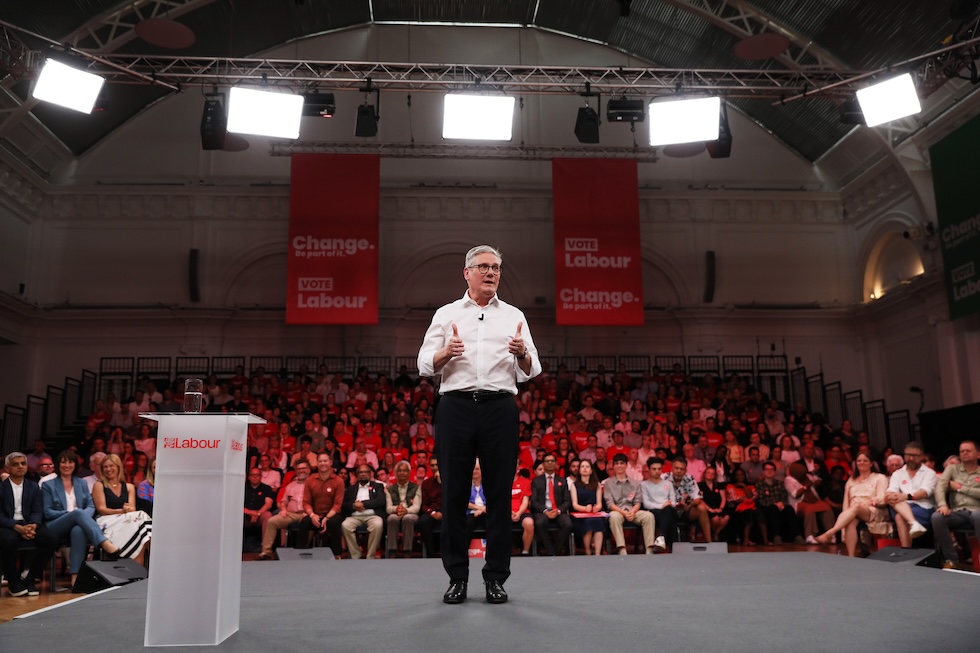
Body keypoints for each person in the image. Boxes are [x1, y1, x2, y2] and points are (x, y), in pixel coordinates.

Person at [417, 245, 540, 605]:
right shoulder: (446, 313)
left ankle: (496, 579)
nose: (491, 273)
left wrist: (522, 353)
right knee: (454, 494)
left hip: (500, 407)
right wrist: (446, 352)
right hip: (455, 406)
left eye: (497, 268)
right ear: (467, 272)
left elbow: (533, 369)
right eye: (484, 267)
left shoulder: (514, 315)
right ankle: (457, 578)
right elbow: (425, 363)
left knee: (500, 496)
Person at [43, 450, 121, 587]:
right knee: (78, 513)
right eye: (63, 462)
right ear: (58, 464)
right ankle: (103, 542)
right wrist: (72, 515)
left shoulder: (81, 483)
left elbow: (91, 506)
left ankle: (75, 577)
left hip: (78, 524)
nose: (67, 465)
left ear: (75, 464)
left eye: (70, 462)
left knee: (78, 530)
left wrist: (78, 516)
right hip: (55, 526)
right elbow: (48, 512)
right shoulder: (48, 485)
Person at [1, 452, 58, 596]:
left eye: (23, 463)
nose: (20, 467)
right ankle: (13, 582)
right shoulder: (1, 488)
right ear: (7, 468)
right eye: (15, 464)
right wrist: (16, 527)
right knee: (8, 541)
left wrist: (33, 525)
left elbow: (38, 510)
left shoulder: (33, 487)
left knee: (51, 539)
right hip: (9, 525)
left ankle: (30, 578)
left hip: (29, 524)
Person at [816, 452, 890, 556]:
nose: (861, 463)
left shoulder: (880, 478)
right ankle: (851, 556)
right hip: (854, 511)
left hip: (873, 509)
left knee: (856, 507)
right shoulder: (851, 480)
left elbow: (882, 497)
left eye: (865, 460)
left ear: (871, 463)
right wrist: (843, 528)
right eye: (859, 461)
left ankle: (830, 532)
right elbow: (846, 503)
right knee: (851, 519)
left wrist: (870, 502)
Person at [92, 453, 152, 565]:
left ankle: (138, 570)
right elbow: (101, 509)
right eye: (105, 467)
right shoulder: (99, 485)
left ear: (118, 467)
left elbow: (132, 508)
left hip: (126, 520)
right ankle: (145, 563)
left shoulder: (129, 486)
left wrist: (127, 510)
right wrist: (121, 511)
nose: (108, 469)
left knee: (140, 525)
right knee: (142, 519)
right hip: (106, 521)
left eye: (111, 466)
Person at [931, 440, 980, 569]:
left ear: (978, 455)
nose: (964, 453)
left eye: (968, 451)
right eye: (962, 451)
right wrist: (942, 504)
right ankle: (951, 559)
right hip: (957, 512)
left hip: (977, 510)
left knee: (977, 515)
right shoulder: (952, 469)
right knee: (937, 517)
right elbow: (940, 487)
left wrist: (959, 487)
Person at [884, 441, 935, 547]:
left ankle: (906, 551)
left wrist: (905, 496)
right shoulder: (897, 474)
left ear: (921, 457)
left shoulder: (929, 473)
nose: (910, 458)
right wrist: (891, 495)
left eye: (914, 455)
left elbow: (925, 493)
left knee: (899, 517)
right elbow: (891, 491)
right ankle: (913, 523)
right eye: (908, 455)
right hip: (901, 506)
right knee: (895, 502)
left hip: (923, 507)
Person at [258, 459, 311, 560]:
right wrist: (283, 509)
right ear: (295, 471)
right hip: (291, 514)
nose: (301, 471)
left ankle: (305, 553)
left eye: (304, 468)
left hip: (307, 514)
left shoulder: (313, 484)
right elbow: (284, 501)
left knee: (308, 522)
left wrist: (309, 512)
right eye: (298, 469)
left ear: (308, 470)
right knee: (272, 521)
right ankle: (266, 552)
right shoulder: (290, 486)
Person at [603, 453, 656, 555]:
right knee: (613, 516)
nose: (619, 466)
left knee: (649, 516)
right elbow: (609, 504)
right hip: (617, 511)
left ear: (626, 465)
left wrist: (632, 511)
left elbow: (637, 502)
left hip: (632, 510)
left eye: (622, 463)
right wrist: (623, 513)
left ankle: (649, 549)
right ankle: (622, 549)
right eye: (617, 464)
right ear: (613, 466)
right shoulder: (608, 483)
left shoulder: (635, 483)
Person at [297, 453, 345, 555]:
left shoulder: (339, 481)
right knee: (304, 522)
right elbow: (306, 502)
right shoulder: (310, 480)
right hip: (315, 515)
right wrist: (312, 515)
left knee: (333, 523)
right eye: (320, 461)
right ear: (317, 463)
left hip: (332, 514)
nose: (323, 463)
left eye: (325, 461)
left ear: (330, 463)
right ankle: (300, 554)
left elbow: (337, 504)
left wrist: (326, 518)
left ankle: (337, 555)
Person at [530, 453, 574, 556]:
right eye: (547, 461)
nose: (550, 463)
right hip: (543, 511)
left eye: (552, 461)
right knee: (539, 523)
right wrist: (546, 511)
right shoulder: (536, 481)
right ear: (543, 464)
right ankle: (551, 551)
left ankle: (555, 550)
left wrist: (558, 510)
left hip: (558, 510)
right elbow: (534, 501)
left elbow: (567, 501)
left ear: (556, 464)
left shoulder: (562, 480)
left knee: (568, 524)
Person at [340, 465, 386, 560]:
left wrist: (362, 504)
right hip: (354, 516)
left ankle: (370, 555)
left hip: (372, 515)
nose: (363, 474)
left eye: (365, 472)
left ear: (370, 474)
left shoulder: (378, 486)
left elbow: (381, 501)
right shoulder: (350, 489)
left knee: (378, 524)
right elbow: (344, 506)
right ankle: (356, 554)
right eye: (361, 472)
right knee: (345, 525)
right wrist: (354, 505)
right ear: (357, 475)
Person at [668, 457, 712, 544]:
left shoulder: (689, 478)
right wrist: (675, 505)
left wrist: (689, 504)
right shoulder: (664, 478)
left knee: (701, 508)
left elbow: (697, 497)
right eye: (676, 468)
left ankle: (709, 542)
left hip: (686, 509)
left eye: (682, 469)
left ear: (685, 470)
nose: (679, 471)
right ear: (672, 468)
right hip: (669, 510)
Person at [754, 461, 797, 546]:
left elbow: (784, 497)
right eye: (767, 469)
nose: (769, 471)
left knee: (789, 509)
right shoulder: (759, 485)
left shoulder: (780, 483)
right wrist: (775, 503)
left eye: (771, 469)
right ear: (763, 471)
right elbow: (761, 500)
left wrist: (781, 503)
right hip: (767, 507)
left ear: (775, 471)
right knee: (773, 509)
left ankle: (797, 535)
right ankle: (776, 536)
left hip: (780, 505)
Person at [385, 460, 422, 557]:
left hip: (411, 513)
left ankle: (407, 551)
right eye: (399, 470)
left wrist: (406, 511)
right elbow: (388, 508)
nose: (402, 473)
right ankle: (392, 551)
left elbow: (416, 507)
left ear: (409, 473)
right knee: (392, 518)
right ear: (396, 473)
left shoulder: (416, 488)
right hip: (395, 513)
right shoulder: (389, 489)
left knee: (408, 518)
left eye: (404, 471)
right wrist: (397, 509)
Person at [569, 459, 605, 556]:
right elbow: (574, 505)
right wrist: (585, 509)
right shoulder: (574, 485)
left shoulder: (597, 484)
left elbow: (599, 503)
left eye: (587, 467)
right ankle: (587, 550)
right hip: (580, 514)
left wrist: (597, 508)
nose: (585, 469)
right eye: (582, 467)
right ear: (579, 470)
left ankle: (597, 553)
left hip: (594, 513)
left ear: (591, 470)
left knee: (597, 521)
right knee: (589, 521)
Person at [243, 467, 275, 550]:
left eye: (257, 475)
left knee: (268, 515)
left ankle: (265, 547)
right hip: (245, 515)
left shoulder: (267, 488)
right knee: (235, 515)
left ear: (261, 477)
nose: (255, 477)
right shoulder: (242, 488)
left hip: (260, 514)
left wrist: (258, 514)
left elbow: (268, 504)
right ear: (248, 477)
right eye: (252, 475)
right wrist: (249, 512)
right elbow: (236, 503)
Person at [418, 457, 443, 558]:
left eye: (437, 465)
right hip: (432, 512)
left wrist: (442, 482)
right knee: (423, 521)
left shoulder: (450, 481)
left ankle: (447, 552)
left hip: (447, 512)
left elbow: (451, 500)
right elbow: (423, 505)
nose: (435, 467)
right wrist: (432, 513)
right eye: (432, 465)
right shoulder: (426, 483)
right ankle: (431, 554)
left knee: (454, 520)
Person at [698, 466, 729, 542]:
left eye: (712, 473)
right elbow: (700, 499)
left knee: (726, 517)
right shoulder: (700, 485)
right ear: (704, 474)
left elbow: (723, 498)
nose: (710, 475)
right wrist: (709, 509)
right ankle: (712, 534)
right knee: (715, 519)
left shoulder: (719, 485)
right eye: (708, 473)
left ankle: (715, 533)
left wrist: (720, 509)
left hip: (718, 507)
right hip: (707, 508)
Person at [510, 466, 534, 556]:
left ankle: (525, 551)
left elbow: (525, 501)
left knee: (529, 523)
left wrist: (518, 513)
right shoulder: (501, 481)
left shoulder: (526, 482)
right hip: (505, 511)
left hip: (522, 512)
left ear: (518, 468)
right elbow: (501, 500)